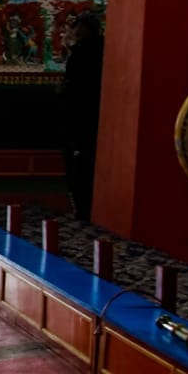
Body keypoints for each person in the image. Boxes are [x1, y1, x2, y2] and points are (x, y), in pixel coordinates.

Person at [62, 12, 105, 220]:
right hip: (80, 118)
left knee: (82, 168)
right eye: (75, 26)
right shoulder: (80, 52)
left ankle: (84, 210)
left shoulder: (88, 53)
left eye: (81, 27)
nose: (76, 31)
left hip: (84, 119)